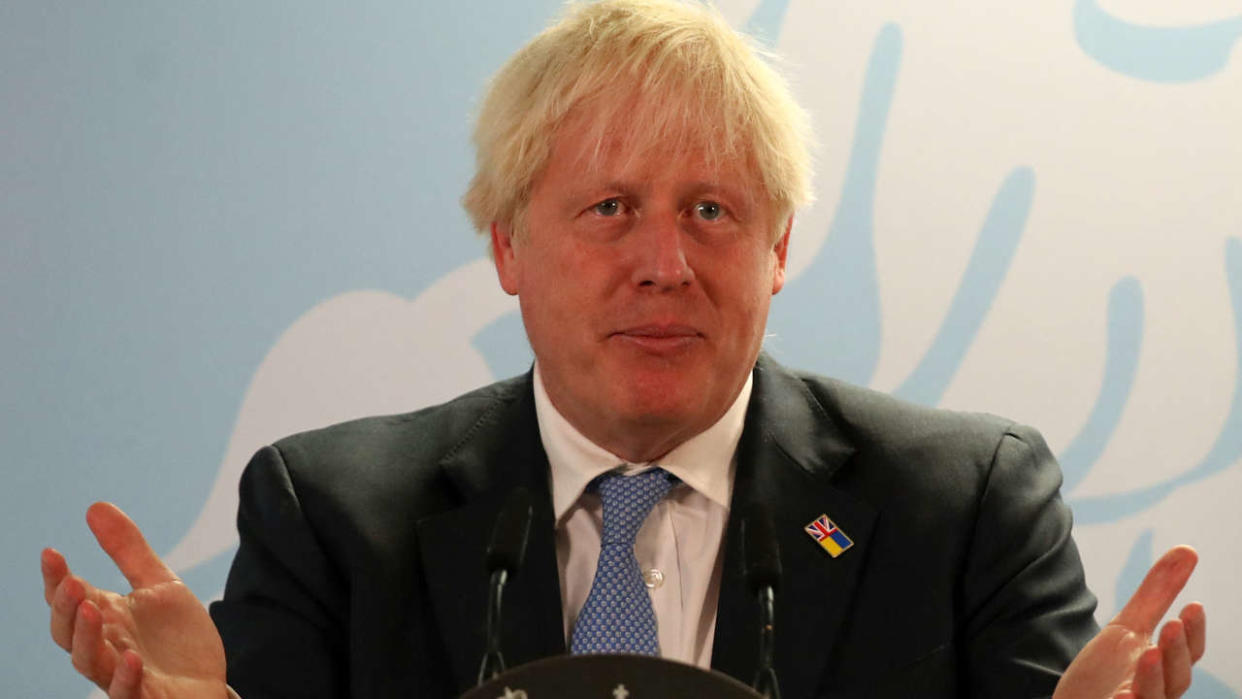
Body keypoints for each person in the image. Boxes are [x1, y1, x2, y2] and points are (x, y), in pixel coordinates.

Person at [41, 1, 1206, 697]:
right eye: (609, 210)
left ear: (779, 249)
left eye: (712, 211)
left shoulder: (963, 503)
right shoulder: (333, 514)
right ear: (505, 245)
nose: (667, 263)